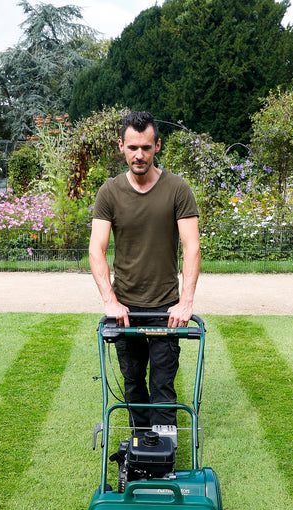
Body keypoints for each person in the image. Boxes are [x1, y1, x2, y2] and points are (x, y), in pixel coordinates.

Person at [89, 110, 201, 432]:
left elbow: (191, 247)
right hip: (125, 309)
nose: (139, 155)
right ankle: (140, 448)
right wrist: (110, 301)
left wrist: (186, 302)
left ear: (157, 147)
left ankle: (163, 456)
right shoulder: (109, 192)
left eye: (147, 147)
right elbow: (96, 250)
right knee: (134, 384)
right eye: (133, 147)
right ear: (121, 146)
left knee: (163, 386)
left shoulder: (177, 189)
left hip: (166, 308)